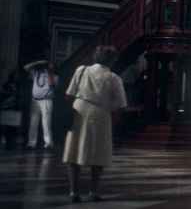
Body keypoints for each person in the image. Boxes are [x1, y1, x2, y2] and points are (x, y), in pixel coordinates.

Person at [63, 46, 127, 201]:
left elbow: (68, 94)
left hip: (79, 109)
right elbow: (121, 104)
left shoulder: (81, 70)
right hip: (101, 114)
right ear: (112, 60)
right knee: (99, 153)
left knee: (73, 151)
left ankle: (73, 192)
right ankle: (94, 191)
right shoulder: (114, 78)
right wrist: (114, 119)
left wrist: (70, 111)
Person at [25, 60, 58, 150]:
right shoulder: (36, 73)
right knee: (33, 123)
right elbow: (26, 68)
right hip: (35, 100)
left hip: (46, 100)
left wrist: (50, 71)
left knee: (46, 123)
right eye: (47, 65)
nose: (48, 66)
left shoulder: (54, 76)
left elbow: (52, 84)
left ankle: (48, 143)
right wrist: (37, 63)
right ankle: (31, 143)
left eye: (51, 65)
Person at [0, 69, 21, 150]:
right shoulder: (7, 85)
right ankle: (9, 143)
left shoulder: (18, 85)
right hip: (8, 108)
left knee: (13, 128)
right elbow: (3, 95)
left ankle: (11, 143)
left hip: (14, 108)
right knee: (7, 127)